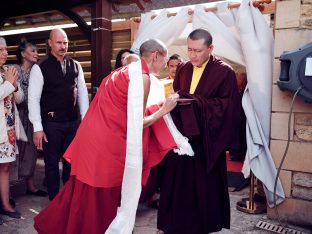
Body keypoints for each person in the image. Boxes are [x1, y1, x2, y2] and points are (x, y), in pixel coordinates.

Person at [34, 39, 182, 234]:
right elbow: (136, 124)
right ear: (156, 55)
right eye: (165, 60)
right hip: (107, 145)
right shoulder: (142, 77)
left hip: (91, 138)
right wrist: (164, 109)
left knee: (81, 193)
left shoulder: (123, 71)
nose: (165, 65)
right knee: (100, 197)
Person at [157, 29, 240, 234]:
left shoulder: (224, 72)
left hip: (208, 141)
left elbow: (228, 107)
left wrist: (196, 104)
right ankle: (177, 225)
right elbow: (177, 94)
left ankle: (202, 226)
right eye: (189, 50)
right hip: (184, 138)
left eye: (198, 50)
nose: (192, 55)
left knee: (204, 188)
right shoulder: (184, 69)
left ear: (211, 48)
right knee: (180, 184)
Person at [28, 28, 89, 200]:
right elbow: (33, 99)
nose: (63, 46)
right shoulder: (39, 68)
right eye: (59, 42)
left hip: (72, 123)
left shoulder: (76, 66)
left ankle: (69, 199)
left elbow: (83, 93)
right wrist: (37, 128)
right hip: (50, 124)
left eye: (65, 42)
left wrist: (84, 121)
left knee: (72, 162)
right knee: (51, 164)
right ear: (50, 43)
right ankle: (54, 200)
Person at [15, 39, 47, 197]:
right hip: (15, 114)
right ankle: (8, 189)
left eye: (37, 50)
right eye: (32, 50)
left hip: (33, 115)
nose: (36, 53)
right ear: (22, 54)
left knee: (31, 151)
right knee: (14, 151)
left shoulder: (39, 69)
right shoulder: (12, 69)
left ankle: (30, 185)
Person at [0, 36, 26, 220]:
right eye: (0, 49)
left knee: (5, 168)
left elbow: (20, 99)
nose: (5, 53)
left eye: (6, 49)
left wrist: (15, 87)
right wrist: (9, 84)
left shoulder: (7, 72)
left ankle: (5, 204)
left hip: (7, 128)